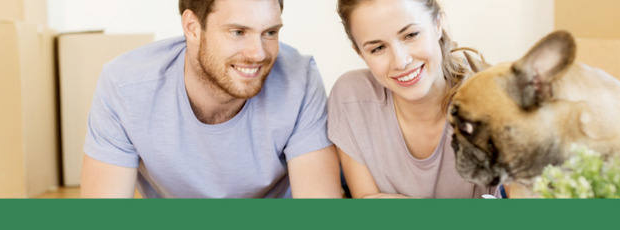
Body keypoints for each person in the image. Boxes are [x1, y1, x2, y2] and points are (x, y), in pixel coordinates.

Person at [80, 0, 342, 198]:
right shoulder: (126, 87)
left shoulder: (300, 80)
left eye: (270, 32)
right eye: (238, 32)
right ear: (192, 28)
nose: (258, 54)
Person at [328, 0, 491, 198]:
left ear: (438, 24)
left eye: (411, 35)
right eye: (378, 48)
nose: (401, 61)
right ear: (360, 53)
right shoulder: (352, 98)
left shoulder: (492, 100)